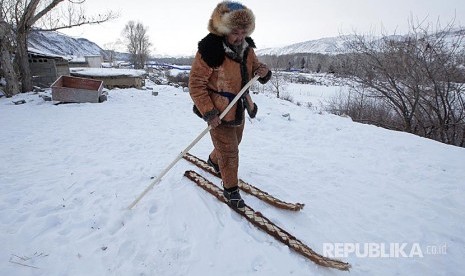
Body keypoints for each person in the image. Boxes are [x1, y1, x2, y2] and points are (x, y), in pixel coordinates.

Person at [188, 1, 271, 209]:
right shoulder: (210, 50)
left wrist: (263, 72)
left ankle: (214, 161)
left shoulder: (247, 48)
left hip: (238, 108)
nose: (240, 36)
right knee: (230, 152)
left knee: (235, 142)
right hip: (218, 111)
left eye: (244, 31)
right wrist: (209, 112)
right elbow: (196, 84)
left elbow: (255, 68)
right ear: (224, 28)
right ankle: (231, 190)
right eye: (235, 31)